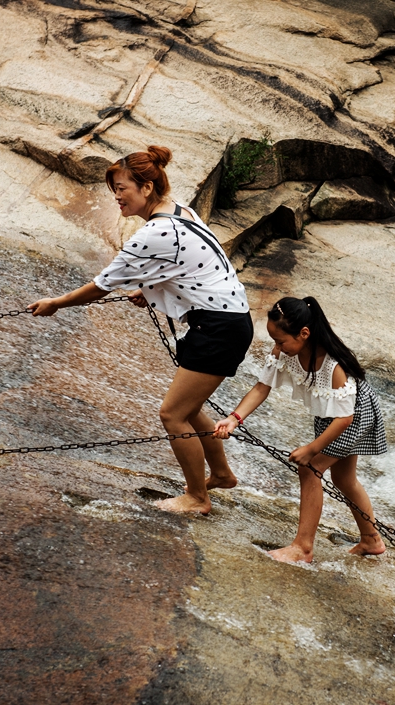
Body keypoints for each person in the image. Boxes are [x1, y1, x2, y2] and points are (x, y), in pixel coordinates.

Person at [28, 145, 252, 514]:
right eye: (113, 189)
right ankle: (223, 475)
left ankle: (197, 498)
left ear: (146, 188)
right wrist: (150, 289)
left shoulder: (153, 233)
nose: (116, 196)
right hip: (228, 319)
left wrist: (56, 303)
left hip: (218, 327)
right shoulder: (180, 210)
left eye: (122, 188)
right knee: (190, 409)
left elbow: (102, 285)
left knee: (173, 415)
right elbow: (198, 264)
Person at [213, 296, 387, 562]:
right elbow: (262, 387)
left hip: (353, 415)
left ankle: (303, 547)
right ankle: (371, 540)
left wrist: (311, 449)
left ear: (304, 333)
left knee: (310, 466)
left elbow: (345, 419)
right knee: (343, 479)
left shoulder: (333, 366)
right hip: (330, 415)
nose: (277, 347)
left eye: (281, 341)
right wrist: (234, 418)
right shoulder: (284, 352)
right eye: (274, 340)